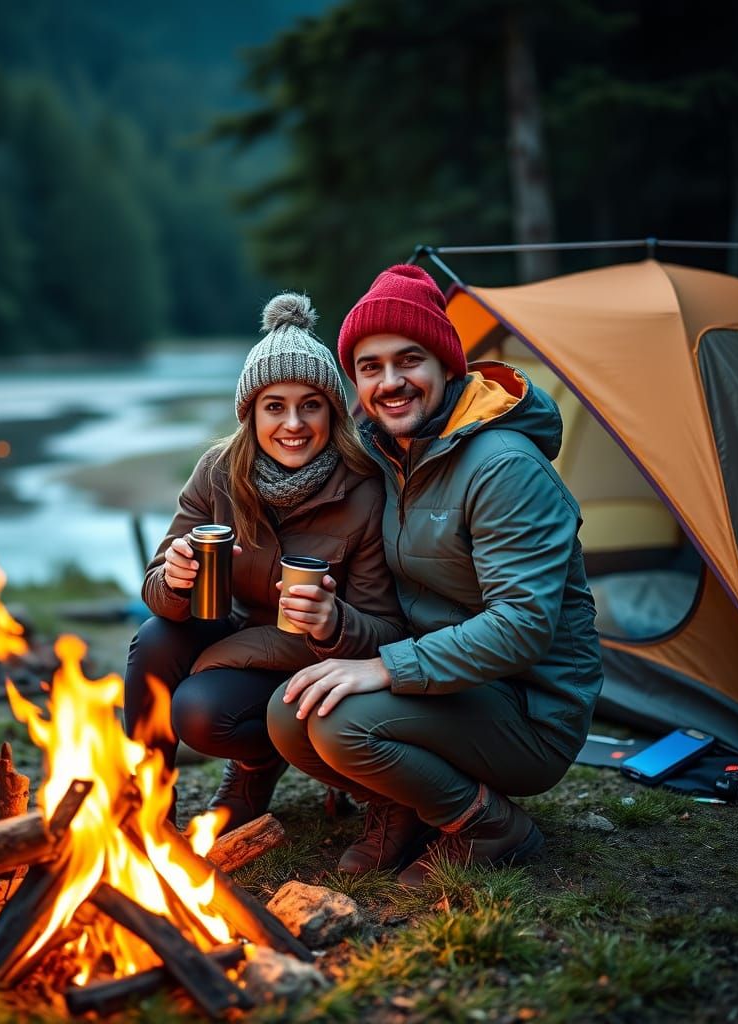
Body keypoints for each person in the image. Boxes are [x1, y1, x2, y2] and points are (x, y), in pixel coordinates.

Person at [267, 264, 604, 883]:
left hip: (531, 711)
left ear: (448, 366)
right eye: (370, 367)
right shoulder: (388, 452)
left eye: (409, 361)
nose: (390, 383)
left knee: (341, 723)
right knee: (290, 711)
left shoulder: (504, 467)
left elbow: (523, 626)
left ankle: (491, 826)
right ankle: (404, 807)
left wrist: (384, 667)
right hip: (453, 685)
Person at [124, 292, 405, 833]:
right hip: (236, 640)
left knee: (199, 711)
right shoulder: (218, 471)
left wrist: (334, 620)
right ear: (250, 413)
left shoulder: (366, 490)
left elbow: (386, 628)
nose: (293, 424)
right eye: (274, 406)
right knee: (155, 638)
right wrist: (175, 579)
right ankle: (142, 814)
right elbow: (155, 590)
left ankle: (256, 765)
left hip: (315, 662)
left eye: (311, 404)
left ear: (334, 410)